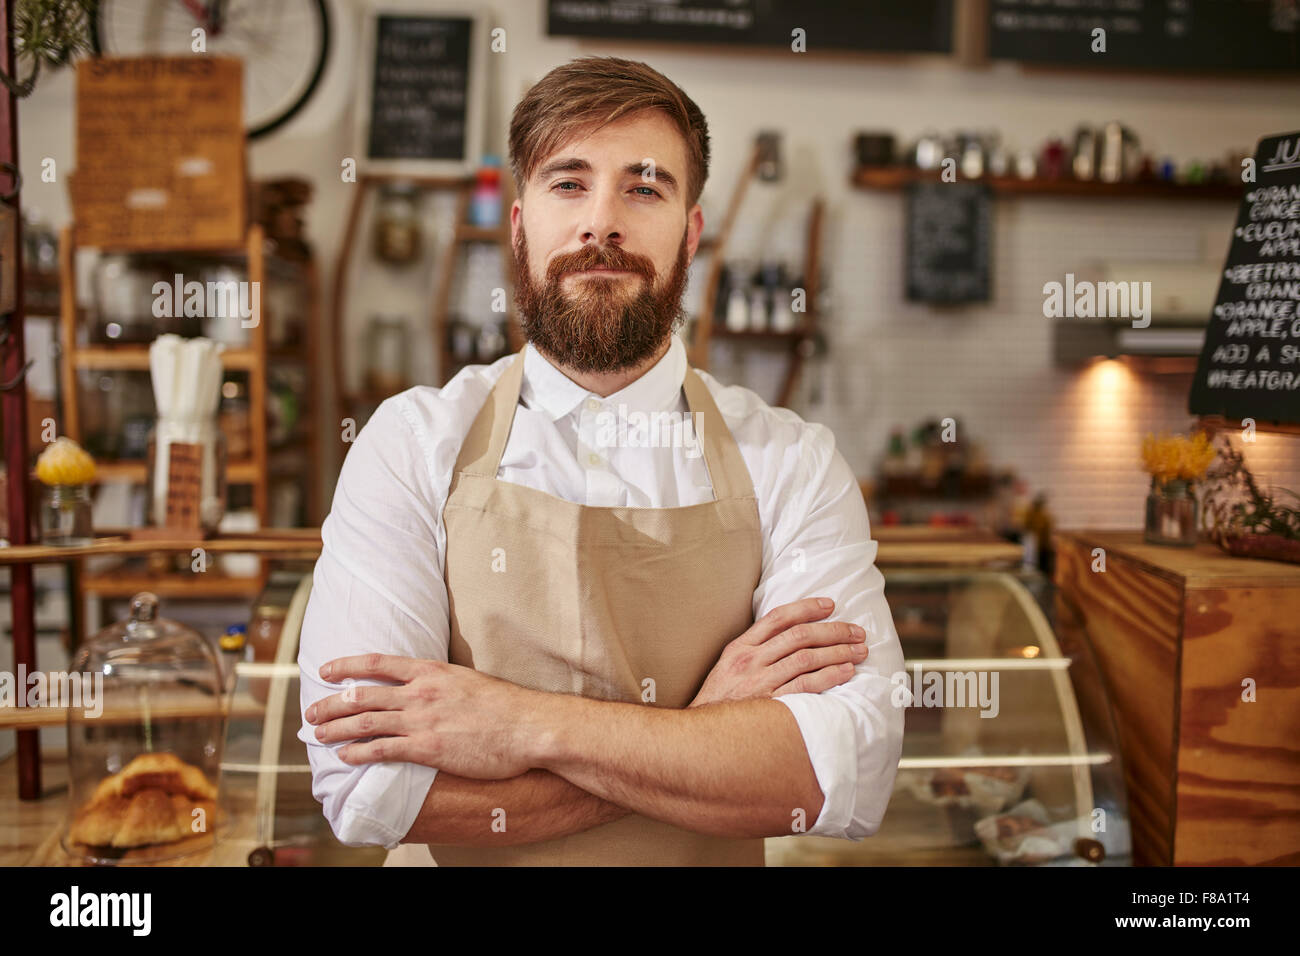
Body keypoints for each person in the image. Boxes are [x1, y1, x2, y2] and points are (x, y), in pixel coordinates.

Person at [299, 56, 904, 866]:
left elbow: (842, 777)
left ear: (691, 231)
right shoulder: (410, 444)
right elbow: (367, 792)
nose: (602, 225)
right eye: (569, 183)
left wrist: (515, 724)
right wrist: (701, 732)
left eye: (645, 188)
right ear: (520, 224)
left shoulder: (792, 460)